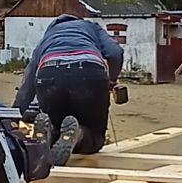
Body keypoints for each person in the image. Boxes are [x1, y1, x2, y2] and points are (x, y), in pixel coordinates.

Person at [13, 14, 124, 164]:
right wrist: (111, 81)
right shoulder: (91, 27)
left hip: (50, 74)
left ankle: (49, 133)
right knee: (95, 136)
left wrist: (14, 117)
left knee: (56, 125)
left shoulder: (50, 35)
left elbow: (29, 80)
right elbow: (115, 53)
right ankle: (78, 134)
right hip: (89, 73)